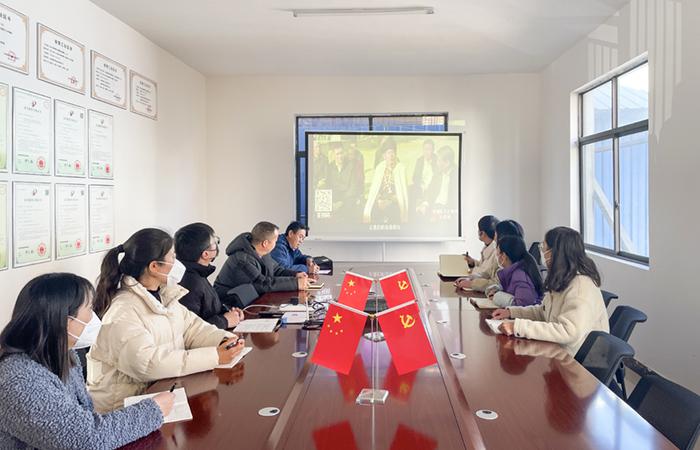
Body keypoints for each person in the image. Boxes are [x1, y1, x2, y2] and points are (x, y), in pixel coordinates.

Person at [0, 273, 174, 449]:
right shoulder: (17, 379)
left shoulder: (66, 355)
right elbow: (85, 439)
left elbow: (84, 420)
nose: (94, 316)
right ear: (65, 321)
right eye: (90, 309)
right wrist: (153, 410)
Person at [87, 228, 245, 413]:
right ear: (154, 266)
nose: (177, 262)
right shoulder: (123, 311)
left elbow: (193, 329)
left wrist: (224, 340)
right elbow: (148, 363)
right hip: (123, 412)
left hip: (157, 396)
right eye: (172, 257)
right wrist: (215, 356)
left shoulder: (164, 295)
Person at [492, 227, 609, 355]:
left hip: (578, 359)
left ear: (556, 253)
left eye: (544, 248)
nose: (543, 254)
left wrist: (518, 327)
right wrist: (511, 312)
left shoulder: (581, 285)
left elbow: (568, 331)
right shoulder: (563, 277)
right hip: (560, 350)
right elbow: (543, 312)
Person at [175, 222, 244, 329]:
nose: (217, 245)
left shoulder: (197, 274)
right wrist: (225, 321)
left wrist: (229, 313)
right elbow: (190, 329)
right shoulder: (190, 283)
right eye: (215, 242)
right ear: (206, 254)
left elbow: (208, 310)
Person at [214, 221, 309, 297]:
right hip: (229, 305)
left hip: (250, 299)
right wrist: (295, 283)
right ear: (265, 243)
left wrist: (295, 275)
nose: (277, 243)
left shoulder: (263, 253)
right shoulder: (242, 259)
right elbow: (261, 284)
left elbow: (277, 270)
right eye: (275, 241)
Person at [458, 218, 525, 292]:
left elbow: (495, 283)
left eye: (496, 241)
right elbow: (487, 272)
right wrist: (471, 277)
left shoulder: (504, 260)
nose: (495, 244)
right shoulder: (505, 257)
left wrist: (472, 283)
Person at [485, 235, 543, 307]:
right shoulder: (513, 272)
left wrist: (496, 296)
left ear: (503, 256)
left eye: (497, 253)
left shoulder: (519, 276)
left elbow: (523, 305)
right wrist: (498, 289)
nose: (496, 256)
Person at [363, 138, 409, 224]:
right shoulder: (380, 168)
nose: (391, 156)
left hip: (394, 202)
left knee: (392, 212)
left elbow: (402, 193)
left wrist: (390, 201)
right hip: (381, 200)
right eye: (388, 153)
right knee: (369, 211)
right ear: (384, 156)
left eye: (393, 153)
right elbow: (374, 189)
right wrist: (379, 200)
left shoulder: (401, 168)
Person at [323, 142, 364, 222]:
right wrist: (332, 203)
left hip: (347, 200)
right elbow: (328, 186)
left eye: (341, 153)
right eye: (337, 154)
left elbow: (353, 188)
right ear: (333, 155)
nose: (340, 156)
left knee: (348, 211)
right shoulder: (329, 167)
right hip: (334, 200)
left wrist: (341, 202)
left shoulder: (351, 166)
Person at [455, 215, 499, 290]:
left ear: (482, 233)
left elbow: (485, 274)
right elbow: (483, 267)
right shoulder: (488, 246)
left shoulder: (497, 252)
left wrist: (471, 282)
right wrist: (473, 263)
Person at [411, 139, 439, 216]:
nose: (427, 152)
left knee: (429, 196)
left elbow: (438, 178)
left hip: (432, 187)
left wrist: (428, 186)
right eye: (425, 149)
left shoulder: (437, 160)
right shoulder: (419, 160)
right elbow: (414, 177)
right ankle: (416, 212)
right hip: (421, 187)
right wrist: (421, 185)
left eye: (429, 149)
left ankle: (423, 208)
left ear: (433, 150)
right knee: (411, 191)